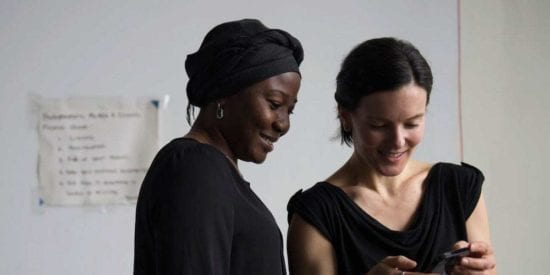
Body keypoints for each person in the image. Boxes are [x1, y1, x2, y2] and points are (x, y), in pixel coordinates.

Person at [286, 37, 496, 275]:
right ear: (345, 117)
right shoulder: (317, 214)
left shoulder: (459, 188)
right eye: (379, 125)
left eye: (412, 123)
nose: (398, 140)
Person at [134, 18, 303, 275]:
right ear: (225, 92)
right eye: (274, 103)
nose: (283, 124)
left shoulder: (214, 171)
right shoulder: (195, 169)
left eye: (290, 111)